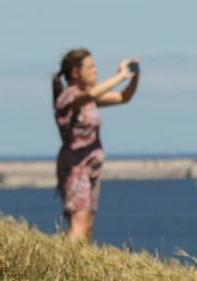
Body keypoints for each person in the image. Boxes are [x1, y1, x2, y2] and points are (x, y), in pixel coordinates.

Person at [52, 49, 140, 241]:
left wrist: (134, 76)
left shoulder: (88, 99)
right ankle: (66, 263)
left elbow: (123, 97)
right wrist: (120, 76)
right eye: (91, 67)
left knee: (88, 223)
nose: (96, 71)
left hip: (91, 167)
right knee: (79, 221)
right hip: (76, 167)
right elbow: (92, 93)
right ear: (75, 72)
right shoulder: (69, 97)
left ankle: (78, 264)